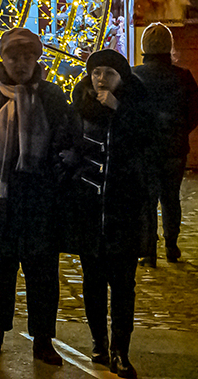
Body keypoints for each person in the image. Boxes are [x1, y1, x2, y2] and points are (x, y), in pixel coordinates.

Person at [0, 27, 73, 364]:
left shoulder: (52, 97)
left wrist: (57, 177)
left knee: (42, 274)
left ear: (37, 58)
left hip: (39, 199)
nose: (21, 64)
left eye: (27, 56)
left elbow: (64, 142)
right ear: (2, 59)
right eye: (13, 57)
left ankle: (43, 340)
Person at [70, 50, 151, 378]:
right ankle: (99, 342)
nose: (101, 79)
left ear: (122, 78)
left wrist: (121, 113)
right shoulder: (80, 108)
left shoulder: (136, 106)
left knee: (122, 283)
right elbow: (70, 145)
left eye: (109, 74)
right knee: (92, 280)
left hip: (124, 208)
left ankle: (121, 349)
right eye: (96, 72)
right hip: (89, 207)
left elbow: (150, 143)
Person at [132, 22, 198, 264]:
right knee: (171, 197)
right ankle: (172, 244)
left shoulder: (134, 76)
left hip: (144, 147)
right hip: (174, 147)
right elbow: (195, 113)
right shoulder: (183, 77)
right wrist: (180, 131)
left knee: (147, 200)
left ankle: (149, 249)